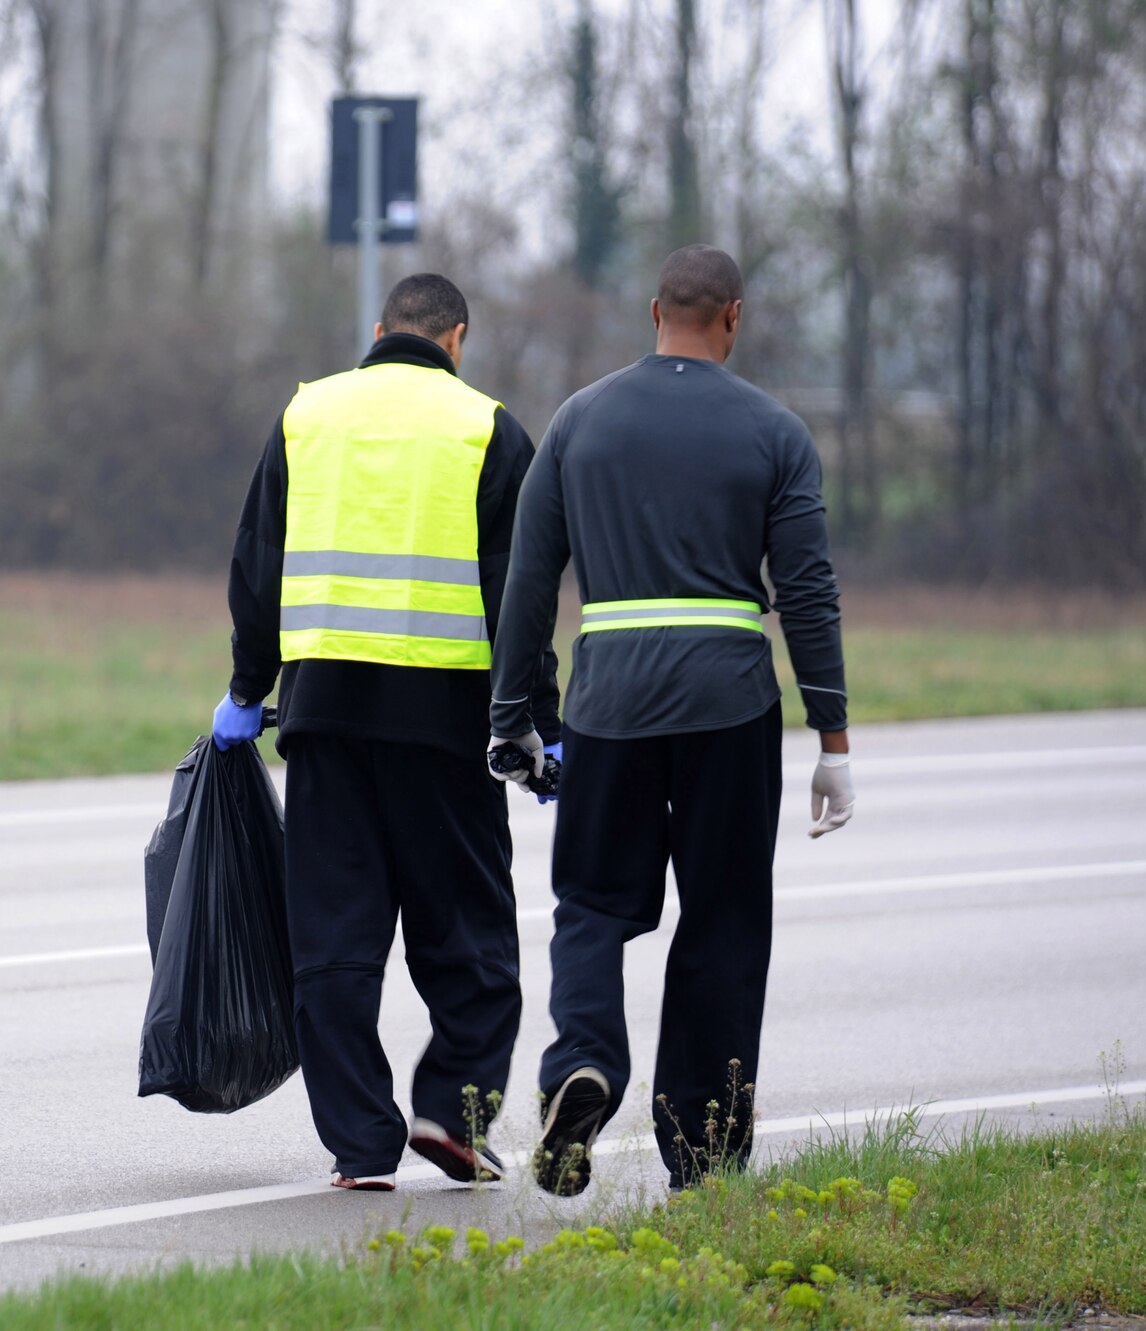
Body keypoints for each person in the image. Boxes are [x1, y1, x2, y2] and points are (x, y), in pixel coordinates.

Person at [488, 244, 855, 1197]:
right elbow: (809, 594)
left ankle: (587, 1057)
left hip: (609, 702)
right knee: (725, 918)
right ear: (734, 317)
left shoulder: (580, 421)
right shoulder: (774, 431)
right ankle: (704, 1154)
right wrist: (834, 740)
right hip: (730, 705)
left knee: (593, 905)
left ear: (656, 312)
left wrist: (515, 714)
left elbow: (529, 583)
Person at [216, 272, 560, 1191]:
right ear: (457, 338)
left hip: (324, 718)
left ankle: (361, 1145)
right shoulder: (488, 428)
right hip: (448, 728)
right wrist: (540, 723)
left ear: (378, 331)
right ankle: (452, 1109)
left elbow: (258, 564)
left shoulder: (308, 417)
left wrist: (249, 687)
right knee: (472, 937)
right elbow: (516, 600)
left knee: (333, 941)